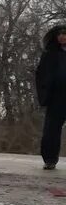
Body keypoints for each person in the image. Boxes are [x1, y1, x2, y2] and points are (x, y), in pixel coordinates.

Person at [36, 24, 66, 169]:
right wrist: (45, 94)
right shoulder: (50, 53)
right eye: (59, 34)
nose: (62, 36)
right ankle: (50, 159)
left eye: (65, 34)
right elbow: (41, 75)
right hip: (57, 97)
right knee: (51, 129)